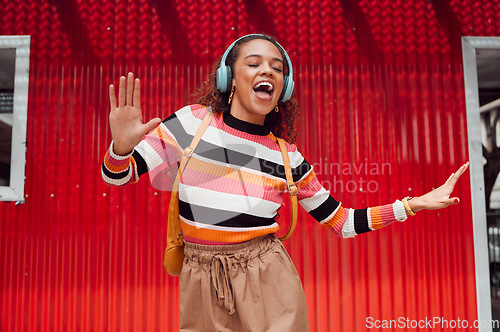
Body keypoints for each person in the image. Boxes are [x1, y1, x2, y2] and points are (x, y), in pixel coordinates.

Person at [101, 34, 469, 332]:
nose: (269, 72)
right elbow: (118, 176)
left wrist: (412, 205)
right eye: (255, 63)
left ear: (285, 86)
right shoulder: (191, 123)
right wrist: (120, 147)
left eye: (278, 68)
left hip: (267, 279)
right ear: (229, 78)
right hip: (201, 279)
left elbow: (341, 222)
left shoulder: (286, 158)